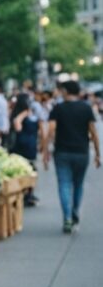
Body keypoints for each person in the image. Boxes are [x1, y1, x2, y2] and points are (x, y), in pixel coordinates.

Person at [42, 80, 101, 233]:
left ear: (66, 91)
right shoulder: (86, 108)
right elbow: (93, 132)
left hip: (62, 152)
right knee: (78, 184)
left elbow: (50, 131)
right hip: (82, 152)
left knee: (64, 184)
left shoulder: (58, 108)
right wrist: (98, 154)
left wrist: (45, 152)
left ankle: (67, 217)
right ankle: (74, 212)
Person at [11, 92, 41, 206]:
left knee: (32, 170)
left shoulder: (32, 114)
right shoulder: (19, 115)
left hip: (30, 146)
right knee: (23, 170)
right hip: (21, 146)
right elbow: (17, 127)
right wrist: (23, 114)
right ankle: (24, 193)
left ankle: (29, 193)